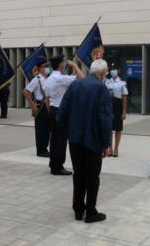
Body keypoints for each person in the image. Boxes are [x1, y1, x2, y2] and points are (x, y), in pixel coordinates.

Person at [56, 59, 112, 224]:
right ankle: (91, 212)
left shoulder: (75, 85)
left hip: (75, 140)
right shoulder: (101, 88)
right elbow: (105, 119)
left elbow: (62, 112)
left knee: (78, 174)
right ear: (102, 73)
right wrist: (105, 143)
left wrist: (68, 131)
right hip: (93, 141)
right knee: (92, 177)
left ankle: (78, 210)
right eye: (106, 73)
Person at [45, 55, 84, 175]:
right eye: (63, 62)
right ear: (61, 64)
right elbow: (82, 78)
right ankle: (58, 167)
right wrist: (75, 65)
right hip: (60, 112)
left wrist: (50, 110)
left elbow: (47, 97)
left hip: (52, 110)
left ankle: (53, 164)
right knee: (61, 141)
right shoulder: (59, 78)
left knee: (54, 139)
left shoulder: (50, 77)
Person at [22, 60, 51, 157]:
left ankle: (45, 148)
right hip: (40, 106)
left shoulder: (48, 78)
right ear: (39, 69)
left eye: (48, 66)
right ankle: (41, 150)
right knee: (41, 129)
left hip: (48, 106)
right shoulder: (37, 79)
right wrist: (32, 104)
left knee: (47, 129)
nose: (47, 68)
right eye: (44, 66)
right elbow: (25, 91)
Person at [104, 65, 128, 157]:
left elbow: (124, 97)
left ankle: (116, 149)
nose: (112, 71)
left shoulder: (122, 83)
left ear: (118, 70)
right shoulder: (107, 82)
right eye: (111, 70)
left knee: (118, 129)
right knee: (108, 128)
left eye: (114, 69)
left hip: (118, 106)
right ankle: (110, 149)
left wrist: (124, 111)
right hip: (108, 106)